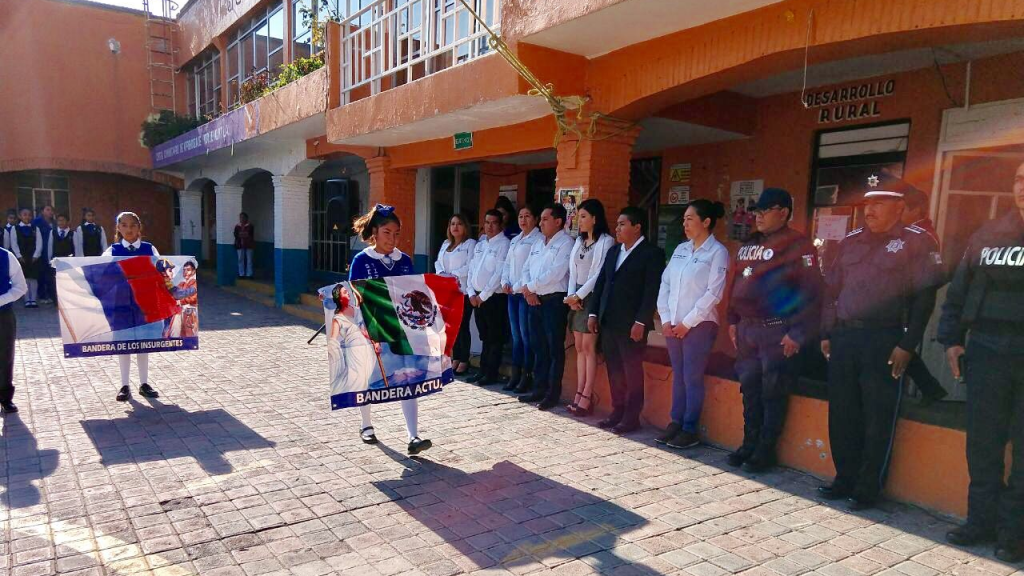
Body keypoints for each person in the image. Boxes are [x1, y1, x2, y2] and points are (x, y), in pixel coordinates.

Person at [817, 174, 943, 511]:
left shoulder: (917, 242)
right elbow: (832, 291)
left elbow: (924, 299)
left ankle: (867, 486)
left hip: (885, 339)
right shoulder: (850, 240)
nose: (869, 210)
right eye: (867, 203)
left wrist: (909, 344)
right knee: (842, 412)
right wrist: (828, 331)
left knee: (877, 415)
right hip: (845, 337)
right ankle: (844, 476)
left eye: (878, 203)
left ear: (899, 207)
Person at [937, 161, 1024, 563]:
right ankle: (980, 522)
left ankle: (1013, 533)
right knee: (983, 444)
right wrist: (951, 339)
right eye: (1021, 179)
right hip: (987, 348)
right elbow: (959, 291)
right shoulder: (989, 234)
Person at [724, 188, 823, 472]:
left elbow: (812, 292)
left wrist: (799, 332)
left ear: (784, 212)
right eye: (756, 211)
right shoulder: (748, 244)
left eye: (765, 211)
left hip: (777, 332)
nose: (758, 216)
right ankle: (748, 444)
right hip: (747, 330)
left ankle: (765, 451)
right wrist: (732, 319)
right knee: (750, 390)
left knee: (773, 392)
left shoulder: (799, 246)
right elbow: (735, 283)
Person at [348, 204, 431, 455]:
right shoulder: (361, 260)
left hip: (401, 328)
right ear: (374, 232)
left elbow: (415, 292)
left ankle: (413, 436)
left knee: (408, 376)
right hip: (370, 328)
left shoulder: (404, 260)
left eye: (396, 234)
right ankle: (366, 425)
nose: (392, 239)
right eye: (387, 232)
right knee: (367, 375)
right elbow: (351, 295)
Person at [656, 200, 729, 448]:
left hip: (699, 326)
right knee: (679, 375)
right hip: (673, 325)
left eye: (690, 219)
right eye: (684, 219)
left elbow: (713, 293)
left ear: (705, 222)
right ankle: (675, 422)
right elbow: (665, 284)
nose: (685, 224)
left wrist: (687, 323)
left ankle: (689, 428)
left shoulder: (717, 252)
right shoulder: (680, 249)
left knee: (692, 376)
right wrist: (665, 318)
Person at [587, 206, 665, 432]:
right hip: (609, 321)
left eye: (623, 224)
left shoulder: (652, 254)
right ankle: (617, 410)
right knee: (615, 369)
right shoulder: (614, 252)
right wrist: (593, 313)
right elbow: (601, 283)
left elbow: (651, 291)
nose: (617, 228)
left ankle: (632, 417)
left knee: (631, 371)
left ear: (637, 227)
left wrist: (641, 321)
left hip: (632, 325)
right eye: (617, 224)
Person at [519, 203, 573, 410]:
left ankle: (552, 393)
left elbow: (556, 273)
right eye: (540, 219)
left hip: (553, 301)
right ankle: (538, 388)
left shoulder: (566, 243)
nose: (540, 223)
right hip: (534, 300)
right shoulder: (538, 243)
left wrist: (530, 287)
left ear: (558, 221)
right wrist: (529, 290)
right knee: (538, 346)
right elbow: (526, 268)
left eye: (544, 219)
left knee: (553, 349)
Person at [104, 211, 162, 402]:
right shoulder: (111, 251)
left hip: (144, 303)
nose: (129, 229)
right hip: (120, 303)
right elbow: (100, 272)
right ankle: (124, 385)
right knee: (124, 343)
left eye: (133, 225)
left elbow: (162, 269)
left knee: (143, 343)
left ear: (139, 228)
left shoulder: (149, 248)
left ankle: (144, 383)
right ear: (118, 228)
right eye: (125, 225)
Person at [899, 187, 949, 406]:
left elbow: (933, 273)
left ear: (916, 210)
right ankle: (931, 388)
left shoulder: (923, 236)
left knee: (901, 344)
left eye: (903, 210)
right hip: (907, 298)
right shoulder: (913, 232)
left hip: (913, 300)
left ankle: (931, 388)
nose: (899, 215)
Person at [564, 199, 614, 416]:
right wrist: (570, 297)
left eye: (583, 216)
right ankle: (578, 391)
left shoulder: (606, 241)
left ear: (595, 218)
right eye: (578, 216)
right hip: (575, 298)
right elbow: (572, 271)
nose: (580, 221)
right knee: (579, 348)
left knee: (589, 347)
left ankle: (587, 395)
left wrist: (580, 295)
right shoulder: (579, 241)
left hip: (591, 297)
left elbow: (599, 274)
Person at [465, 210, 511, 386]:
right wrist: (471, 292)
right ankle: (482, 371)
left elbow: (499, 274)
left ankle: (491, 373)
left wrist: (483, 296)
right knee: (484, 336)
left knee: (494, 337)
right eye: (487, 222)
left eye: (494, 223)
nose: (489, 226)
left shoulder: (504, 244)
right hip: (476, 297)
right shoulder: (481, 244)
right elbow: (471, 269)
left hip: (493, 298)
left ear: (500, 225)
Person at [500, 205, 543, 393]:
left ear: (535, 219)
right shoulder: (516, 239)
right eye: (520, 216)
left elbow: (532, 268)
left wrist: (518, 287)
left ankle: (527, 376)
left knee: (527, 338)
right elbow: (507, 264)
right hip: (512, 295)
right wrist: (504, 281)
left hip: (526, 294)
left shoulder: (538, 239)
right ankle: (515, 375)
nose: (523, 220)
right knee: (516, 337)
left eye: (527, 216)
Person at [434, 214, 477, 377]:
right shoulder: (446, 244)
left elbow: (471, 265)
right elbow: (438, 263)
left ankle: (464, 359)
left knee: (462, 326)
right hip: (448, 290)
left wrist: (453, 276)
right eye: (452, 224)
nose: (455, 227)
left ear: (465, 226)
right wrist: (442, 275)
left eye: (459, 223)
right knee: (452, 327)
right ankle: (456, 357)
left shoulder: (470, 244)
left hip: (463, 291)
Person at [0, 246, 28, 414]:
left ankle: (5, 397)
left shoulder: (6, 256)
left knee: (5, 355)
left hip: (3, 314)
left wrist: (1, 300)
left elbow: (20, 287)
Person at [10, 208, 43, 308]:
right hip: (21, 257)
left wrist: (36, 255)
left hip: (33, 256)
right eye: (24, 215)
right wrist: (18, 255)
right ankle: (26, 299)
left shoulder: (35, 228)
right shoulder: (15, 229)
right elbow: (14, 243)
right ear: (20, 216)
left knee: (33, 278)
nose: (27, 217)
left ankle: (33, 299)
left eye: (29, 215)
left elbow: (39, 243)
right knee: (24, 278)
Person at [33, 205, 54, 304]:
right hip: (40, 252)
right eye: (48, 210)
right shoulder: (37, 222)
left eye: (51, 210)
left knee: (50, 275)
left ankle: (51, 295)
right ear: (42, 211)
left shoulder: (54, 223)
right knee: (41, 275)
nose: (50, 212)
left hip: (51, 252)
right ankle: (42, 295)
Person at [234, 212, 255, 278]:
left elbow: (249, 234)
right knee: (240, 260)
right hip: (240, 245)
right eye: (240, 217)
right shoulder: (237, 226)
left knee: (249, 260)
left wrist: (241, 234)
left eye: (243, 217)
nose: (242, 219)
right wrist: (243, 234)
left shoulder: (250, 226)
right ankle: (241, 274)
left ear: (246, 218)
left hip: (249, 245)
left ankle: (249, 274)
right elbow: (236, 235)